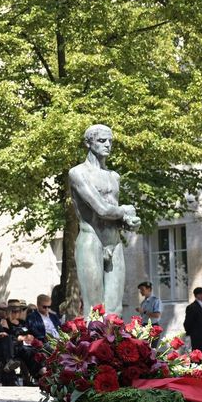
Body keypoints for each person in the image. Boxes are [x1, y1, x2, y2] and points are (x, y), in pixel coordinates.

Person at [69, 124, 141, 313]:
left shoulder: (114, 176)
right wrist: (125, 210)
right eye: (102, 140)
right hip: (91, 239)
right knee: (94, 310)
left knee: (115, 310)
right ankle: (92, 344)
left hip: (114, 241)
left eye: (110, 141)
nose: (108, 145)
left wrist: (127, 221)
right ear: (88, 143)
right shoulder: (78, 173)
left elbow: (113, 212)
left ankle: (117, 344)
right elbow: (101, 209)